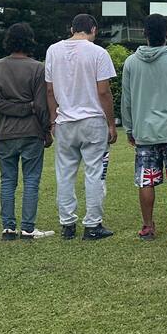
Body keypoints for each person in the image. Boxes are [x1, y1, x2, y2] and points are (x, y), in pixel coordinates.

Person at [121, 14, 167, 241]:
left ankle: (147, 226)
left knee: (147, 179)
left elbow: (127, 100)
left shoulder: (131, 63)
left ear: (144, 34)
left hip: (144, 130)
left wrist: (129, 128)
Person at [45, 13, 118, 241]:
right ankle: (92, 224)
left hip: (65, 120)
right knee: (94, 173)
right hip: (93, 120)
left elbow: (49, 90)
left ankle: (67, 224)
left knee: (65, 174)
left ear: (71, 29)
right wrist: (111, 123)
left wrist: (52, 119)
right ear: (93, 30)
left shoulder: (53, 51)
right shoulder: (98, 53)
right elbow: (104, 92)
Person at [0, 23, 53, 241]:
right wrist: (46, 129)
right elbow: (41, 106)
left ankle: (8, 227)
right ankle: (28, 228)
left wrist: (14, 108)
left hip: (5, 132)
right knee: (31, 180)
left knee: (7, 180)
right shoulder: (37, 68)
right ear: (30, 41)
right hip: (31, 131)